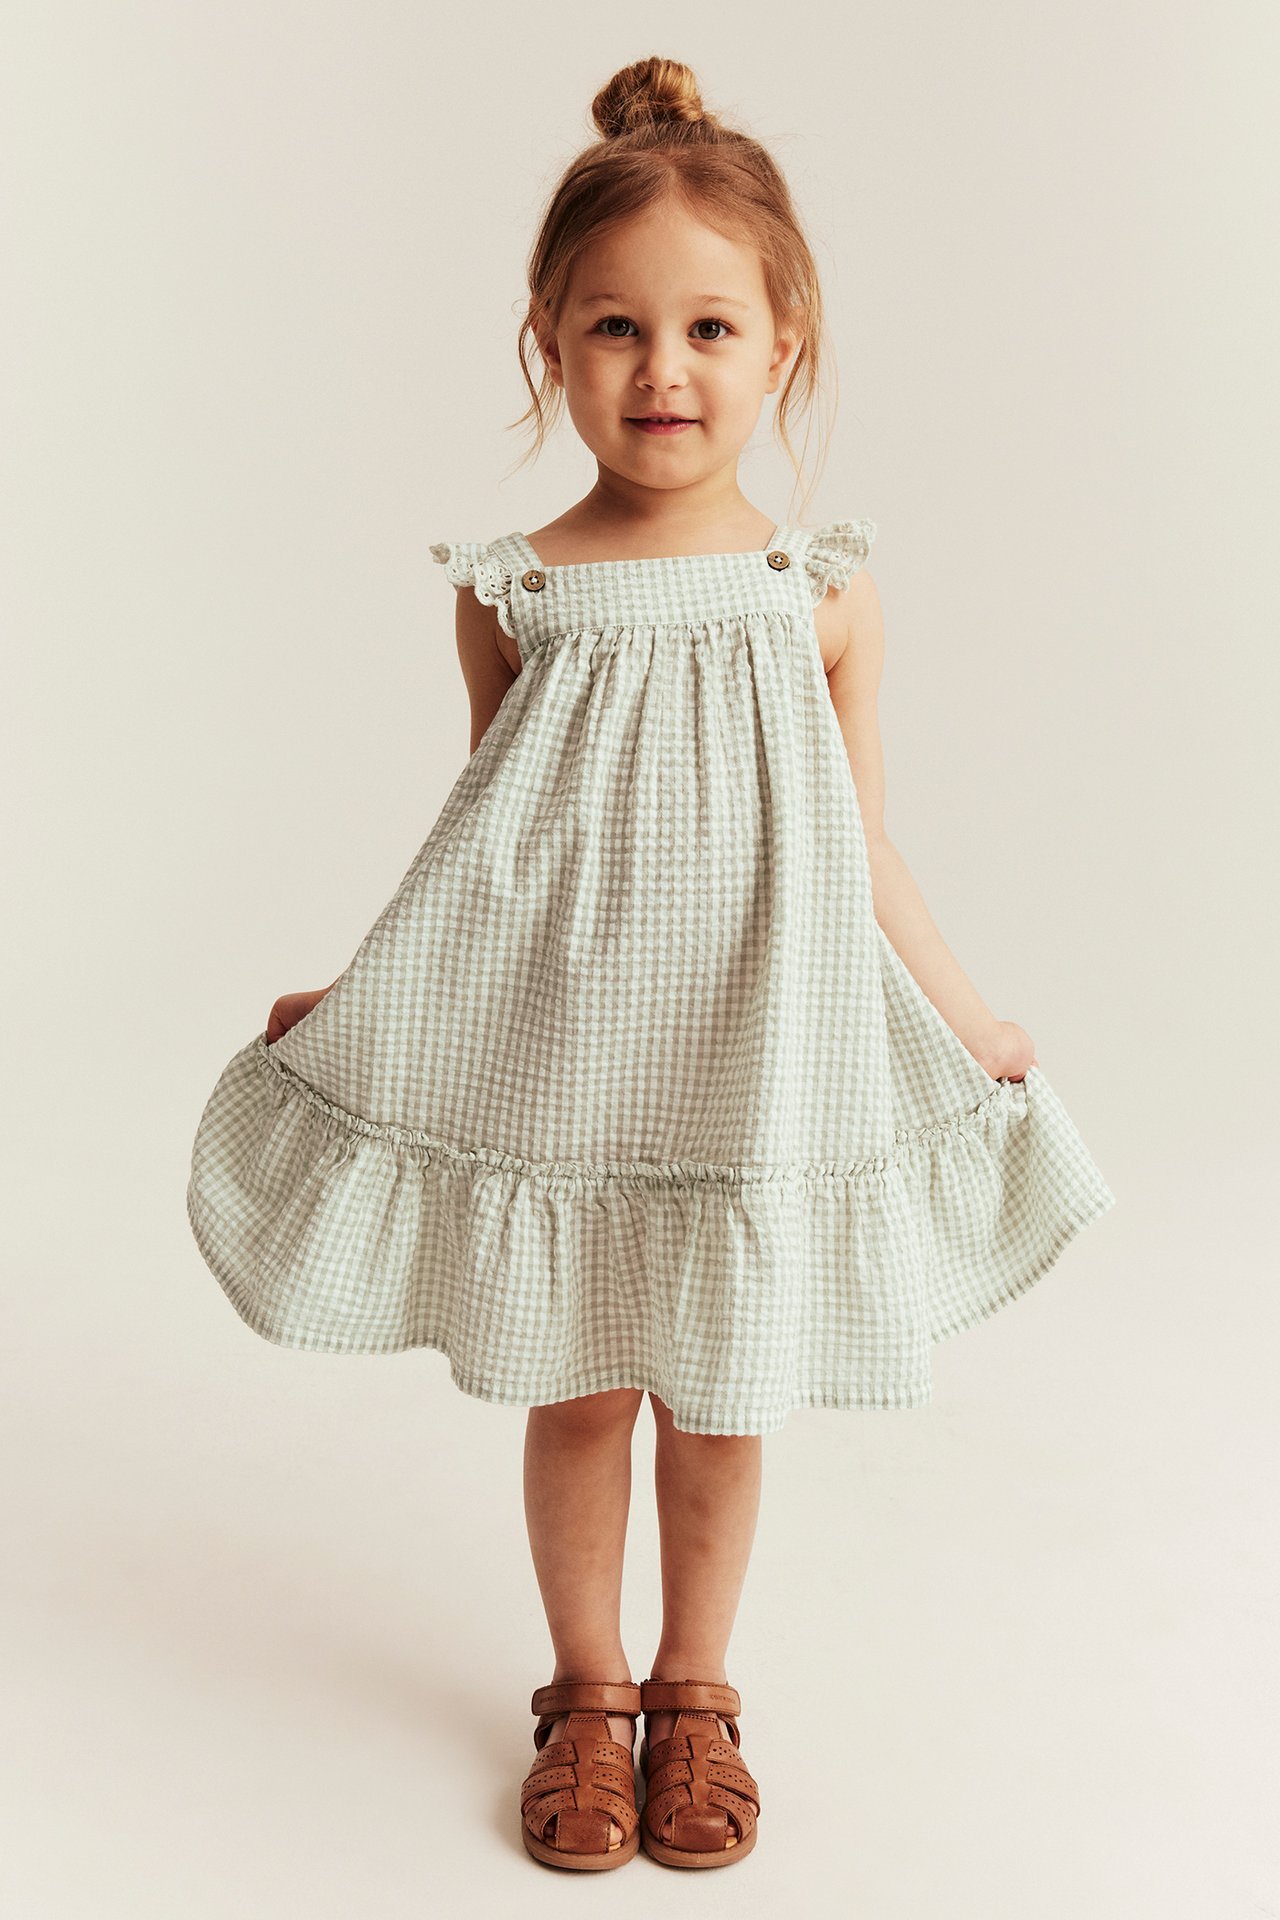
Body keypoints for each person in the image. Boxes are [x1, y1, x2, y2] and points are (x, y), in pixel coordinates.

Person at [186, 53, 1116, 1874]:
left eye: (708, 328)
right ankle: (586, 1695)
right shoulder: (515, 588)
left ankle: (697, 1694)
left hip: (745, 1056)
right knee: (581, 1384)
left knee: (721, 1395)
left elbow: (857, 841)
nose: (663, 369)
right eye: (616, 326)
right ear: (550, 342)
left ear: (783, 345)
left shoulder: (816, 591)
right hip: (575, 1057)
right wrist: (363, 1002)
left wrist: (970, 1016)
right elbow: (486, 846)